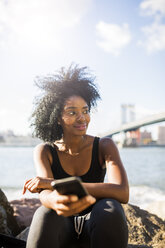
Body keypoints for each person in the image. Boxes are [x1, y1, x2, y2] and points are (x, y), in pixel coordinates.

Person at [23, 65, 129, 248]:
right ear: (57, 118)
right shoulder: (45, 151)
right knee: (45, 213)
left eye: (85, 111)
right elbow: (45, 194)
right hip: (63, 229)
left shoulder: (104, 145)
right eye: (72, 112)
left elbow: (122, 192)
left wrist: (53, 183)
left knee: (111, 207)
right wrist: (52, 199)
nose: (82, 118)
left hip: (98, 224)